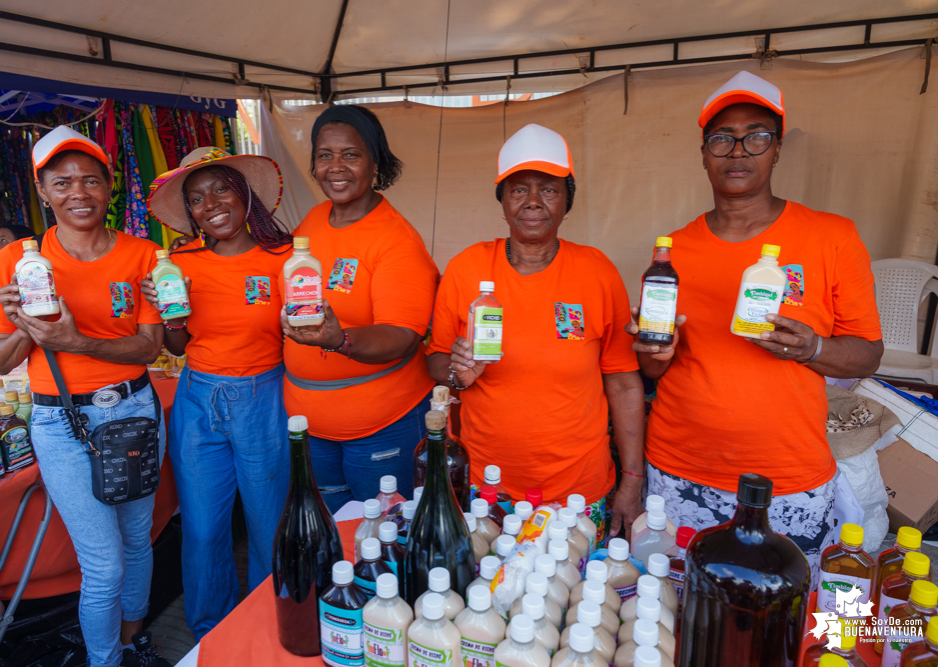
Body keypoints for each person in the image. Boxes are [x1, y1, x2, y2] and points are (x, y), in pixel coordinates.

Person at [626, 71, 883, 568]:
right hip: (680, 469)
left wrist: (812, 349)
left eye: (756, 136)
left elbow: (867, 353)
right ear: (704, 155)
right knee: (680, 611)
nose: (738, 151)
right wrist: (655, 354)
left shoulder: (832, 237)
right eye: (722, 139)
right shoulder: (673, 250)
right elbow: (655, 371)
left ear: (778, 148)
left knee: (778, 624)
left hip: (788, 477)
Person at [0, 126, 170, 667]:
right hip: (61, 424)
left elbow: (151, 347)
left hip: (132, 409)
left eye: (90, 180)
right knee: (104, 565)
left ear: (110, 187)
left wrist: (74, 340)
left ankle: (134, 642)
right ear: (42, 190)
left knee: (138, 540)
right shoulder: (16, 261)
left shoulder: (144, 254)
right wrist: (22, 326)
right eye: (61, 183)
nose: (77, 193)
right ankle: (104, 660)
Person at [426, 124, 645, 545]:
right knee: (487, 599)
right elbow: (434, 362)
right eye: (518, 189)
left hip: (579, 490)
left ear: (567, 200)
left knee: (581, 602)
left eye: (548, 189)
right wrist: (456, 370)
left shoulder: (597, 271)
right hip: (486, 487)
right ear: (502, 200)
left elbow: (622, 381)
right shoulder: (466, 269)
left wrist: (632, 480)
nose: (532, 202)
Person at [141, 147, 292, 640]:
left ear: (244, 194)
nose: (211, 205)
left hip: (265, 398)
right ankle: (213, 629)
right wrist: (171, 318)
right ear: (191, 213)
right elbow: (179, 346)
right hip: (198, 398)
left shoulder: (286, 257)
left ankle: (273, 622)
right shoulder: (180, 263)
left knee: (270, 523)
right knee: (204, 529)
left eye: (221, 189)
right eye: (197, 198)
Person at [280, 105, 438, 514]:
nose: (336, 166)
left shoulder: (395, 240)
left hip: (380, 430)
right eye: (324, 154)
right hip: (311, 428)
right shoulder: (312, 223)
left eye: (350, 154)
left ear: (375, 162)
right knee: (333, 538)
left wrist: (340, 339)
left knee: (383, 540)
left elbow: (402, 336)